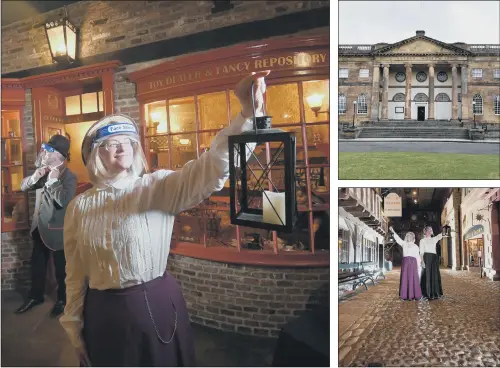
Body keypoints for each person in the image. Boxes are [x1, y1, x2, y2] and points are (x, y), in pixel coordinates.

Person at [60, 71, 270, 367]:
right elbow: (75, 271)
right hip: (103, 314)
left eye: (128, 141)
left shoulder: (156, 187)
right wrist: (73, 323)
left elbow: (210, 169)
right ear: (96, 154)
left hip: (153, 307)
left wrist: (247, 114)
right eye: (112, 143)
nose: (123, 147)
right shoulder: (78, 207)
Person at [16, 135, 77, 317]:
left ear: (59, 155)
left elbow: (64, 202)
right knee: (37, 266)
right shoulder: (42, 170)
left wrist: (53, 181)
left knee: (61, 269)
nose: (44, 153)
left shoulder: (68, 176)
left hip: (57, 232)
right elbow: (23, 187)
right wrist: (36, 176)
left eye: (49, 150)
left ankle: (62, 300)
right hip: (38, 229)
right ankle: (36, 296)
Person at [389, 226, 422, 301]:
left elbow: (397, 239)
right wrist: (393, 231)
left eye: (409, 237)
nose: (409, 238)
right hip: (411, 263)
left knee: (407, 278)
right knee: (411, 278)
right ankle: (412, 294)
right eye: (409, 237)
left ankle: (407, 295)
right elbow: (417, 256)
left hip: (407, 262)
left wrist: (393, 231)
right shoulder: (412, 245)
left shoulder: (405, 244)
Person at [419, 226, 444, 300]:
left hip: (434, 258)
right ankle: (426, 293)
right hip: (426, 258)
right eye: (428, 230)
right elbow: (421, 252)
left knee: (434, 275)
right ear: (425, 231)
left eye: (431, 230)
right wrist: (422, 261)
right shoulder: (422, 241)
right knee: (427, 275)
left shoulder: (434, 239)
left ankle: (435, 293)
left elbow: (442, 234)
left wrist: (446, 226)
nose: (430, 231)